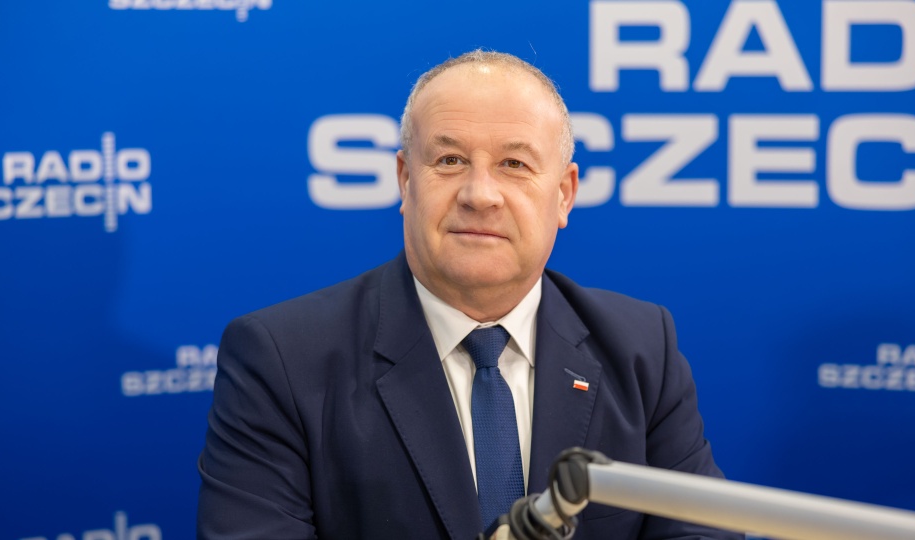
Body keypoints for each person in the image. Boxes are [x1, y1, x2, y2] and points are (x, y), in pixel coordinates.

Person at [197, 49, 742, 540]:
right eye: (450, 160)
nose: (480, 195)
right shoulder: (283, 359)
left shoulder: (642, 347)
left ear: (564, 195)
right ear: (405, 180)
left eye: (514, 164)